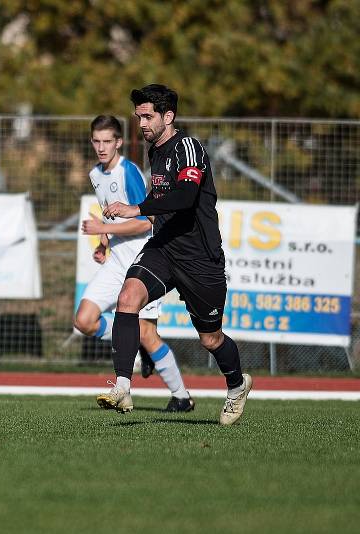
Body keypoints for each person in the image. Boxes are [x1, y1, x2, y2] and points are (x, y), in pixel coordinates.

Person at [98, 84, 251, 425]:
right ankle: (122, 384)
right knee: (127, 298)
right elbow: (163, 200)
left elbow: (184, 196)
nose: (142, 124)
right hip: (164, 247)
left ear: (169, 116)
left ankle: (237, 385)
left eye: (148, 116)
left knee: (210, 338)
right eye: (138, 117)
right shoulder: (155, 151)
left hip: (200, 258)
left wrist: (134, 208)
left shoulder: (188, 148)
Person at [75, 115, 193, 412]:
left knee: (147, 334)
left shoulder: (129, 173)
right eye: (96, 141)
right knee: (84, 320)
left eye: (107, 141)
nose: (101, 147)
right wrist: (103, 245)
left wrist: (103, 231)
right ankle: (133, 342)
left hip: (144, 261)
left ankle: (182, 397)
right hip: (116, 261)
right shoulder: (95, 174)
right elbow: (110, 214)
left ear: (118, 142)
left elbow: (145, 223)